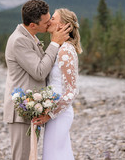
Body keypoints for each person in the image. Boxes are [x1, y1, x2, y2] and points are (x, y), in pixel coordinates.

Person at [3, 0, 71, 160]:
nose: (50, 24)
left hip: (32, 108)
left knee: (31, 156)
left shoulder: (30, 36)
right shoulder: (19, 40)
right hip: (21, 112)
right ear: (33, 25)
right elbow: (39, 72)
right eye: (47, 22)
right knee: (23, 157)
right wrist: (54, 43)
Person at [33, 8, 82, 160]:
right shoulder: (60, 48)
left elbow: (71, 91)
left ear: (62, 25)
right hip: (55, 111)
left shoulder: (66, 50)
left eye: (53, 18)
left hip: (59, 113)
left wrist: (49, 114)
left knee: (53, 155)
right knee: (57, 154)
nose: (49, 21)